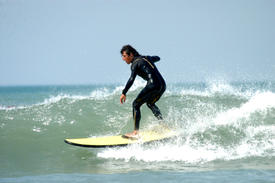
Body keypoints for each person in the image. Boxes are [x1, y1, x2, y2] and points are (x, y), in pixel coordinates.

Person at [120, 45, 166, 138]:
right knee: (150, 103)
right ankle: (163, 125)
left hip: (152, 85)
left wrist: (124, 92)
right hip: (162, 85)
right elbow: (158, 57)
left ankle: (136, 132)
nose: (123, 59)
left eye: (124, 56)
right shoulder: (146, 58)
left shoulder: (135, 64)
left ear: (131, 55)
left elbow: (131, 79)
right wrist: (150, 60)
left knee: (135, 104)